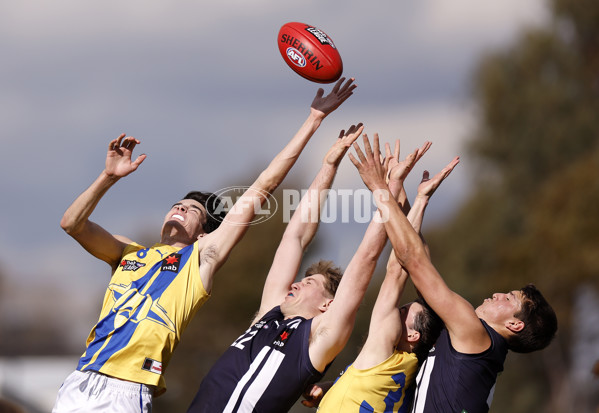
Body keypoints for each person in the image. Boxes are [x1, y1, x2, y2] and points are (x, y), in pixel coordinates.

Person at [52, 77, 357, 413]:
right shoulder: (128, 252)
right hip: (80, 380)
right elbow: (72, 224)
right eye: (178, 204)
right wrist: (107, 178)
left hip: (126, 390)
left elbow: (262, 185)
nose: (180, 208)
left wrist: (313, 120)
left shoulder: (200, 259)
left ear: (203, 234)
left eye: (192, 210)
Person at [187, 127, 408, 413]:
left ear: (328, 304)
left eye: (309, 283)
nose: (296, 284)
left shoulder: (319, 336)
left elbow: (366, 257)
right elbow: (296, 236)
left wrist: (386, 190)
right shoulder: (270, 314)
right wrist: (329, 165)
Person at [349, 135, 558, 413]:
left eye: (508, 298)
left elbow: (415, 262)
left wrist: (379, 188)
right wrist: (413, 200)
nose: (498, 294)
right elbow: (420, 264)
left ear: (515, 325)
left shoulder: (473, 333)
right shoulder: (477, 343)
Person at [302, 140, 453, 412]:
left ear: (413, 336)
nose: (398, 309)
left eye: (405, 310)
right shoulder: (405, 375)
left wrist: (396, 190)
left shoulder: (383, 351)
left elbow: (399, 268)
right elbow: (410, 260)